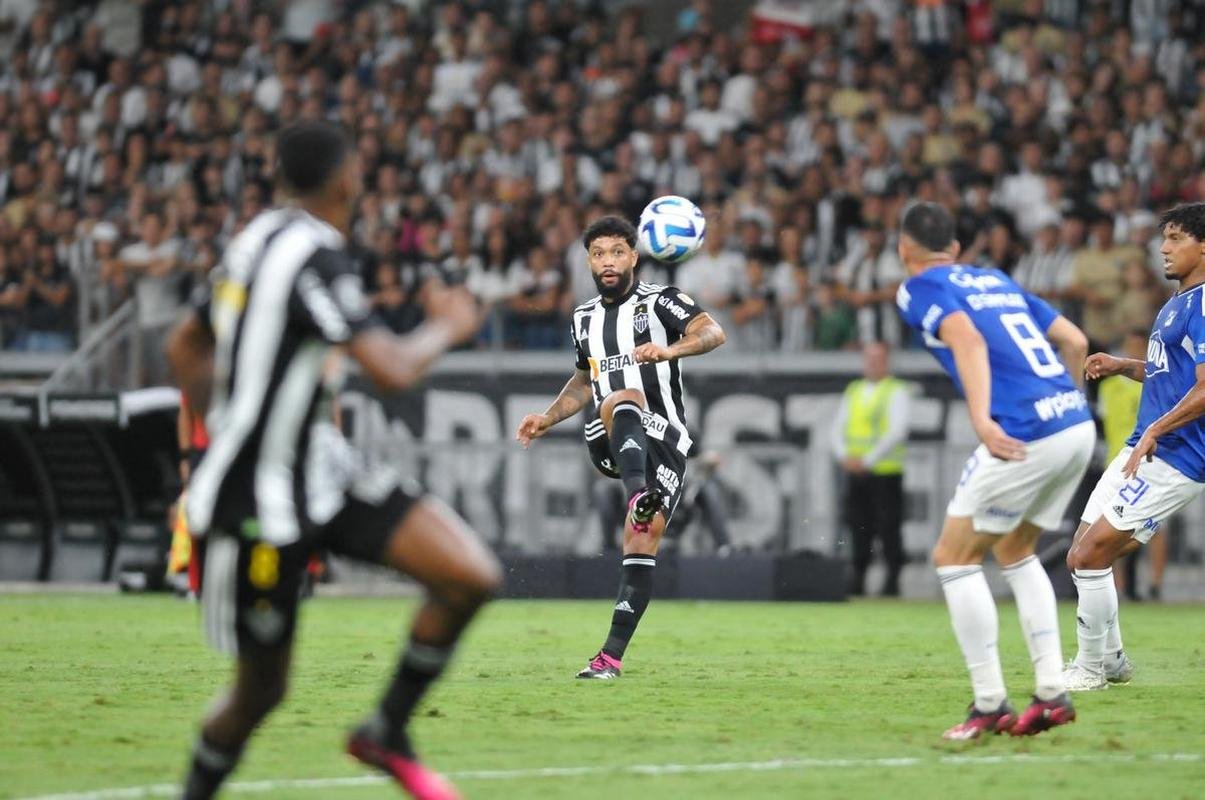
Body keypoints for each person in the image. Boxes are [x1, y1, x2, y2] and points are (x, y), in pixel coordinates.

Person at [170, 121, 501, 800]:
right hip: (257, 500)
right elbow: (392, 368)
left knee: (468, 575)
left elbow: (184, 343)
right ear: (348, 177)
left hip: (322, 469)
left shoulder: (255, 238)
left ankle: (385, 729)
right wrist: (449, 326)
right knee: (261, 692)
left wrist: (226, 413)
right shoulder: (314, 253)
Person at [895, 202, 1095, 739]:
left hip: (1024, 432)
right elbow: (1075, 341)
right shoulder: (996, 279)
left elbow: (967, 339)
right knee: (1014, 549)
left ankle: (989, 703)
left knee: (953, 557)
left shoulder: (918, 287)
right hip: (1074, 422)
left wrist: (983, 420)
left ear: (904, 248)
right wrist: (1066, 406)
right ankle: (1051, 693)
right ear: (956, 247)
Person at [515, 215, 726, 679]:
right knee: (622, 396)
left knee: (642, 539)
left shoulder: (661, 301)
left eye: (616, 252)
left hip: (667, 441)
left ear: (633, 256)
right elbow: (583, 380)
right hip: (612, 433)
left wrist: (669, 350)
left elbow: (713, 332)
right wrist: (548, 417)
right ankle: (636, 495)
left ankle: (608, 658)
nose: (607, 262)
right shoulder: (583, 318)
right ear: (589, 262)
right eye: (598, 254)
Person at [1063, 203, 1205, 692]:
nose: (1163, 248)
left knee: (1090, 556)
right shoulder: (1175, 303)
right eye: (1164, 238)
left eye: (1176, 238)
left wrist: (1156, 429)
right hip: (1144, 446)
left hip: (1176, 456)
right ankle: (1113, 660)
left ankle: (1090, 670)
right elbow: (1169, 374)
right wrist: (1124, 365)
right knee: (1080, 555)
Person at [831, 341, 910, 597]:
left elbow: (896, 431)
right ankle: (858, 578)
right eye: (869, 358)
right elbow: (837, 428)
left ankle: (892, 581)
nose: (873, 363)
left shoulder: (896, 390)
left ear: (887, 362)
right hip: (856, 472)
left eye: (878, 358)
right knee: (858, 526)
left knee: (888, 527)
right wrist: (845, 456)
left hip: (885, 471)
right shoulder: (854, 390)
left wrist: (866, 460)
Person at [1097, 329, 1168, 602]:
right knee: (1109, 525)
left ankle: (1155, 585)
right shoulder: (1108, 386)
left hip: (1151, 461)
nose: (1134, 351)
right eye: (1130, 346)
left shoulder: (1156, 381)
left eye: (1139, 347)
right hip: (1116, 461)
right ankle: (1117, 586)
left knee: (1154, 525)